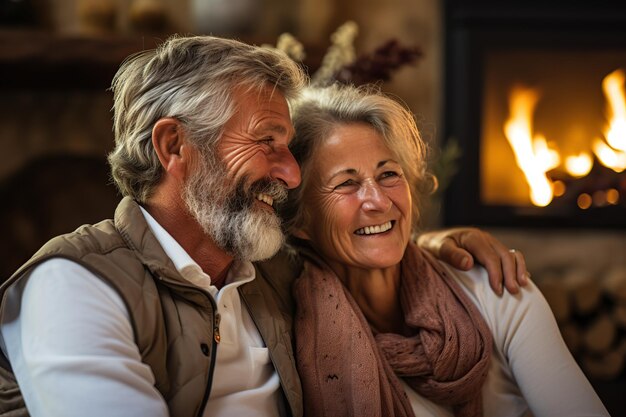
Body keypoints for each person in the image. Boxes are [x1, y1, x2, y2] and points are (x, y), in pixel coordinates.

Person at [0, 35, 527, 417]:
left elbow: (356, 239)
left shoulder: (274, 269)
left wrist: (440, 241)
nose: (292, 173)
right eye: (266, 141)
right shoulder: (71, 287)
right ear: (174, 147)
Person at [282, 83, 609, 417]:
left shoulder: (496, 289)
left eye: (389, 174)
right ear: (299, 220)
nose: (380, 201)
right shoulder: (292, 336)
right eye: (347, 183)